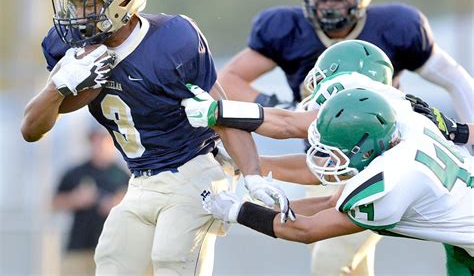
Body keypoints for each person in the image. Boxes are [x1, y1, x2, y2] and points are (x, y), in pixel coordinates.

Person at [20, 0, 293, 275]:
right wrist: (58, 86)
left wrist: (251, 173)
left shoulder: (172, 41)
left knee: (172, 259)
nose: (75, 16)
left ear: (122, 1)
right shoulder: (69, 48)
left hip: (195, 170)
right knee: (112, 260)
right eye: (72, 4)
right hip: (140, 179)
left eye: (86, 4)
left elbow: (221, 111)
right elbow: (32, 129)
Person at [183, 39, 473, 275]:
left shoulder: (392, 181)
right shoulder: (403, 117)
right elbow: (327, 202)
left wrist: (238, 212)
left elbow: (307, 230)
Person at [218, 0, 473, 124]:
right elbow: (228, 79)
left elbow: (457, 81)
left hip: (394, 149)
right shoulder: (286, 30)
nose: (330, 2)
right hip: (323, 158)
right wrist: (279, 107)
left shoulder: (398, 27)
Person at [52, 126, 129, 275]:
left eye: (104, 140)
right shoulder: (75, 172)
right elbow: (53, 203)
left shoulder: (123, 175)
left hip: (112, 251)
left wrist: (117, 205)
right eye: (96, 140)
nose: (99, 144)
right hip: (79, 249)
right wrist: (75, 199)